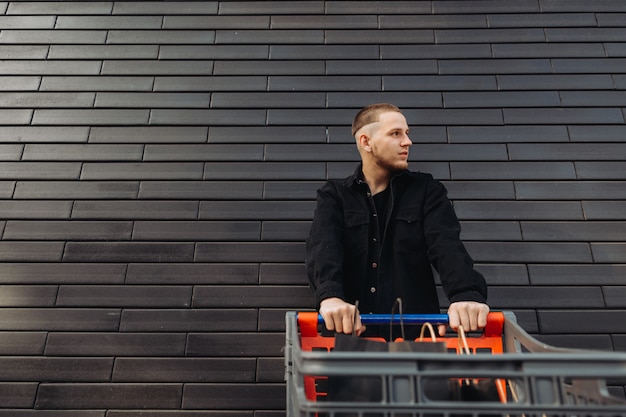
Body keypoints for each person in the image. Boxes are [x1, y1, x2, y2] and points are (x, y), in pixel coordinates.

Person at [306, 103, 489, 339]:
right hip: (349, 344)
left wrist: (466, 295)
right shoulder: (335, 195)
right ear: (366, 141)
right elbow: (323, 248)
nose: (407, 142)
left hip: (415, 343)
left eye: (407, 133)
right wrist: (330, 298)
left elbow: (446, 246)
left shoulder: (426, 191)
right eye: (395, 133)